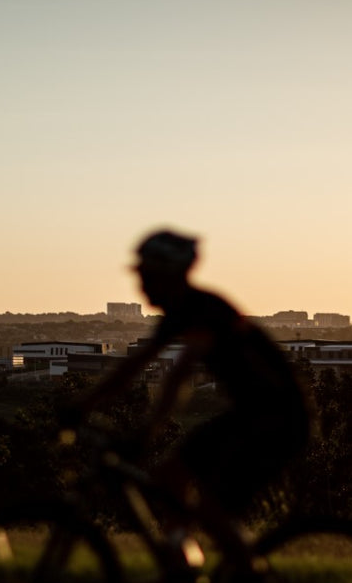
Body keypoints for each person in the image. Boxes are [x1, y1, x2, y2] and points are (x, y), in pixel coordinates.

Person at [76, 228, 310, 554]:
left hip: (276, 418)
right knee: (170, 477)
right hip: (252, 412)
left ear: (167, 276)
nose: (140, 285)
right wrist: (93, 406)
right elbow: (140, 367)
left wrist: (143, 428)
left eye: (146, 275)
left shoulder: (203, 309)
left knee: (211, 508)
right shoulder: (183, 313)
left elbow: (174, 377)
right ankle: (184, 571)